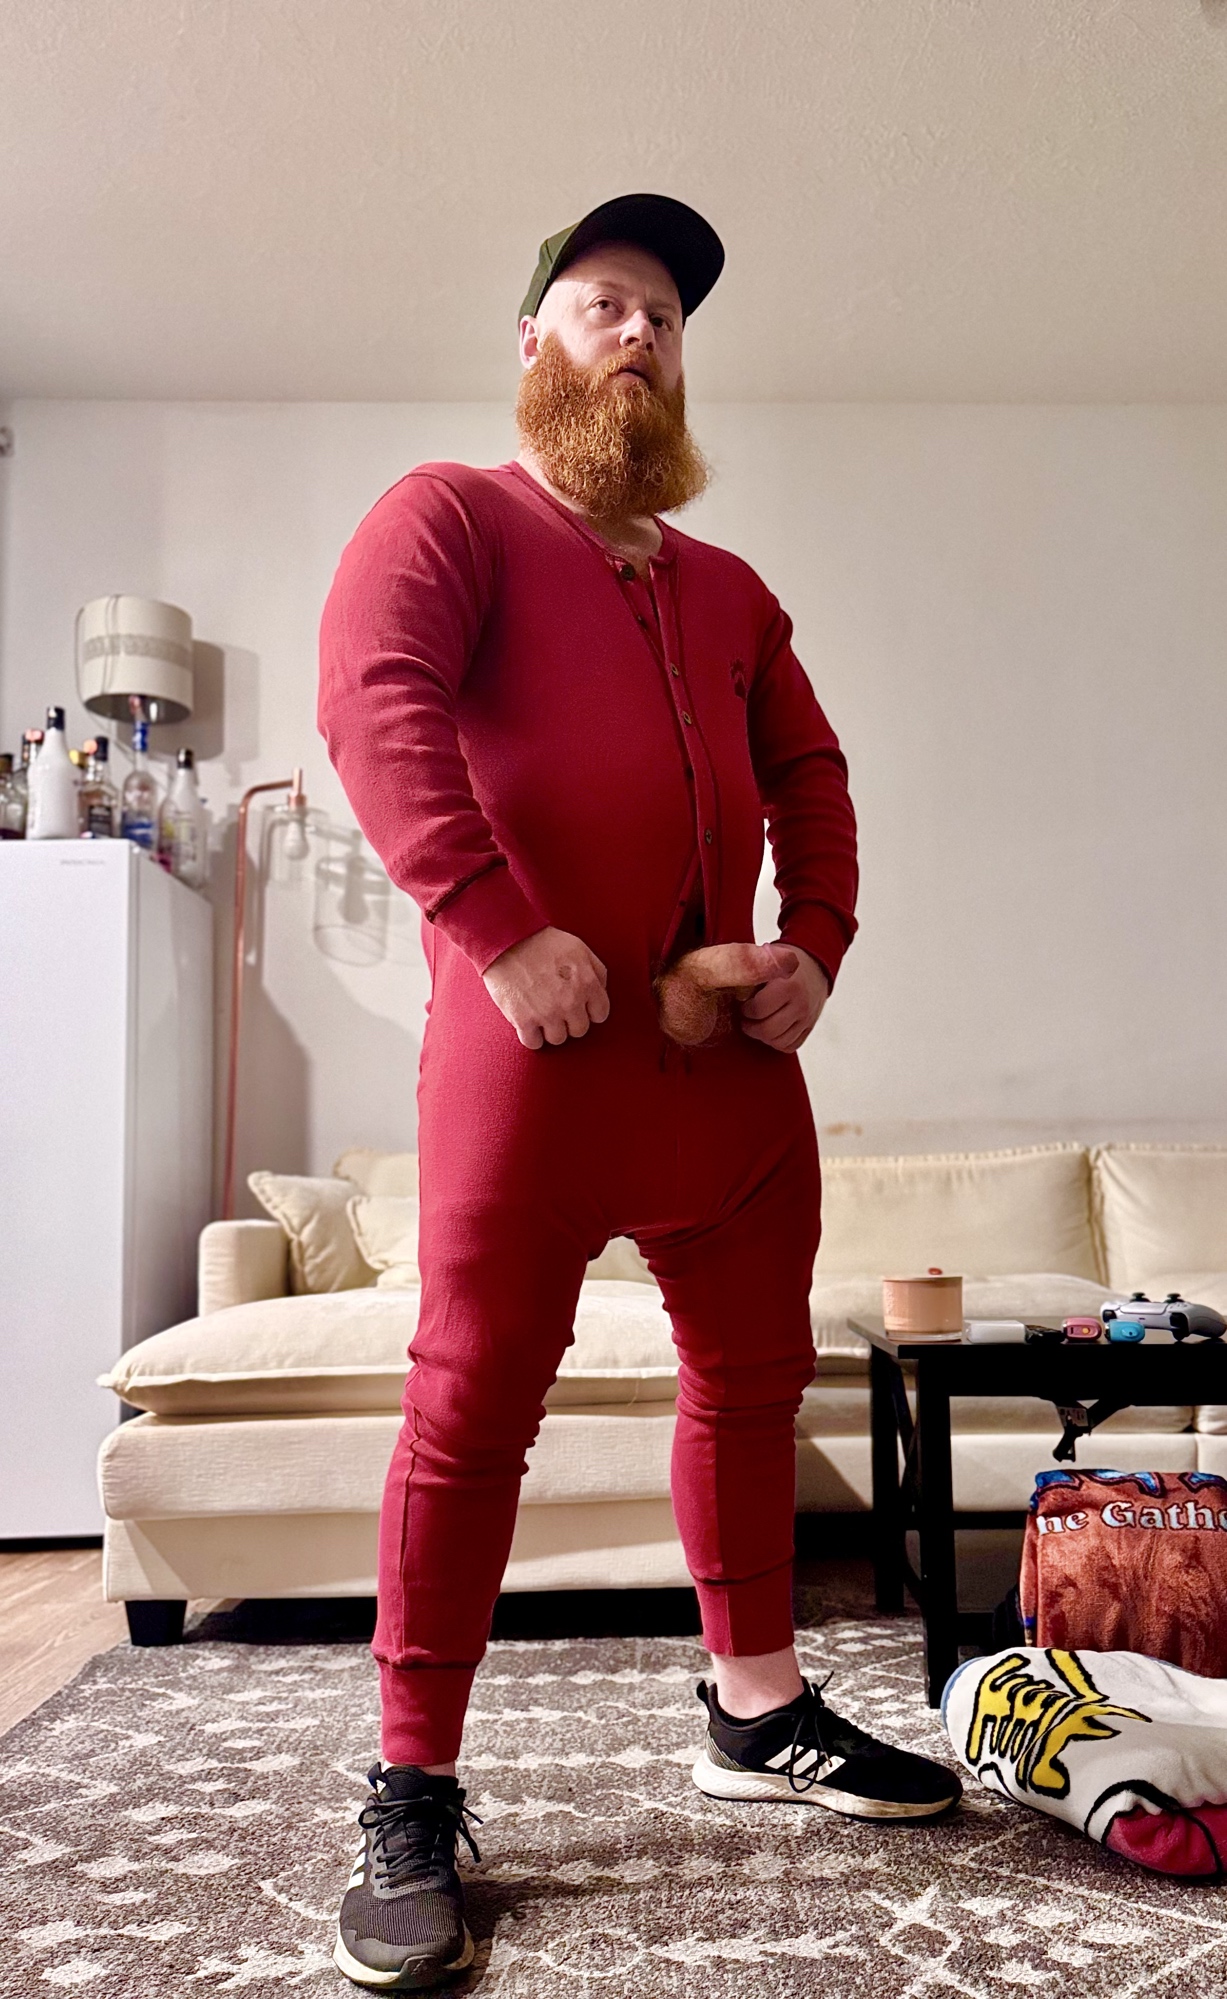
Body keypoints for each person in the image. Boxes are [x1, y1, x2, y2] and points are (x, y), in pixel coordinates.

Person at [318, 192, 960, 1992]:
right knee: (468, 1413)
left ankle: (756, 1708)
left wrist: (815, 943)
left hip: (726, 1076)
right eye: (605, 303)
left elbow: (811, 773)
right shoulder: (446, 517)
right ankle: (411, 1785)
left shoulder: (734, 593)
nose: (640, 336)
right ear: (533, 342)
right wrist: (497, 926)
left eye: (666, 318)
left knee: (753, 1387)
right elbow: (375, 703)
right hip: (528, 1066)